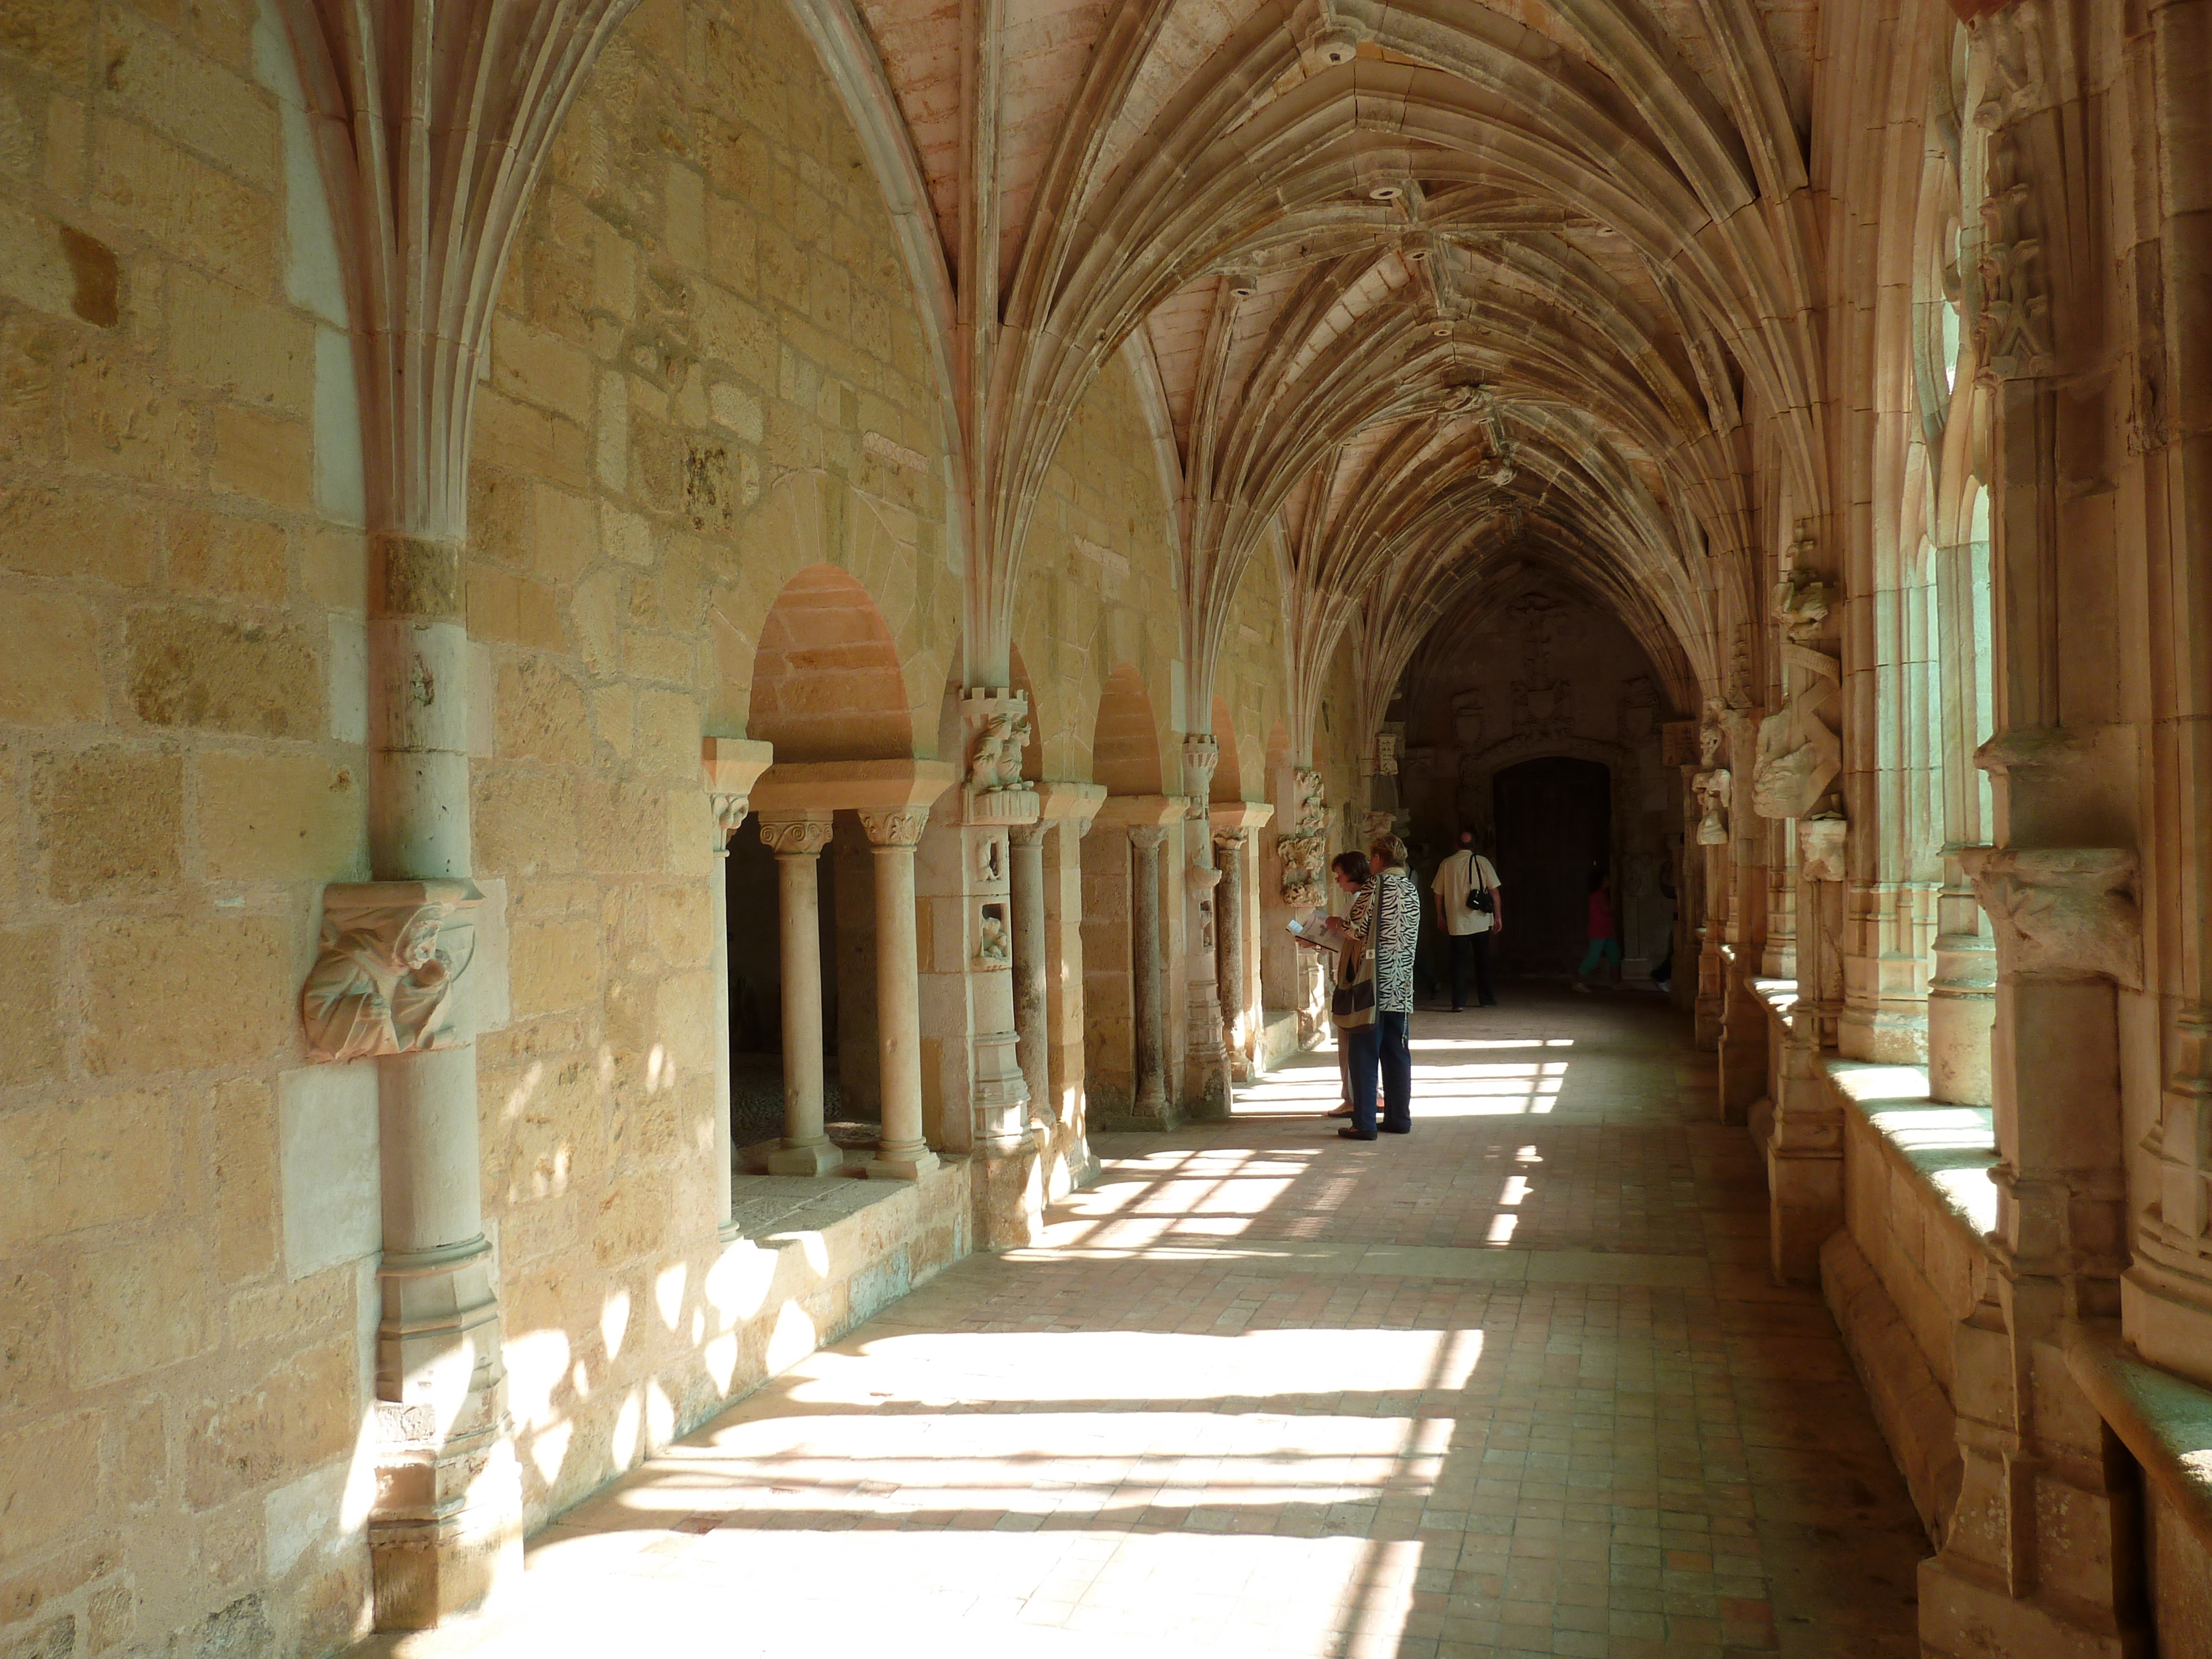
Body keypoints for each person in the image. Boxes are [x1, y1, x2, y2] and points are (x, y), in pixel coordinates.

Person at [1337, 835, 1418, 1136]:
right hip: (1401, 985)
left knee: (1364, 1052)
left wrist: (1336, 925)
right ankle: (1399, 1119)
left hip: (1373, 985)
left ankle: (1365, 1123)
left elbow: (1356, 927)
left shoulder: (1376, 885)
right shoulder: (1410, 888)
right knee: (1397, 1053)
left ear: (1379, 859)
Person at [1312, 851, 1379, 1137]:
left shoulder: (1359, 899)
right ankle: (1358, 1097)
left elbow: (1354, 937)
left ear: (1352, 873)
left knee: (1351, 1038)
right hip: (1358, 973)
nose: (1337, 879)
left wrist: (1334, 927)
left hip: (1355, 978)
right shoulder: (1361, 897)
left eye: (1339, 873)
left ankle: (1354, 1100)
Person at [1430, 828, 1504, 1010]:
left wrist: (1440, 915)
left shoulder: (1447, 864)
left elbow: (1438, 893)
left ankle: (1459, 1002)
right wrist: (1498, 917)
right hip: (1480, 920)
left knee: (1458, 964)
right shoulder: (1482, 862)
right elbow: (1495, 892)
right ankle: (1486, 999)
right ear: (1475, 846)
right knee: (1483, 961)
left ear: (1457, 845)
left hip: (1457, 923)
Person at [1573, 868, 1622, 992]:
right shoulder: (1600, 895)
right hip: (1599, 931)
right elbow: (1607, 910)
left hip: (1604, 931)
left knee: (1614, 955)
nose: (1608, 880)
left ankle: (1616, 983)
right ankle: (1579, 982)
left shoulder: (1598, 895)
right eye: (1606, 878)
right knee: (1594, 957)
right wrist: (1616, 912)